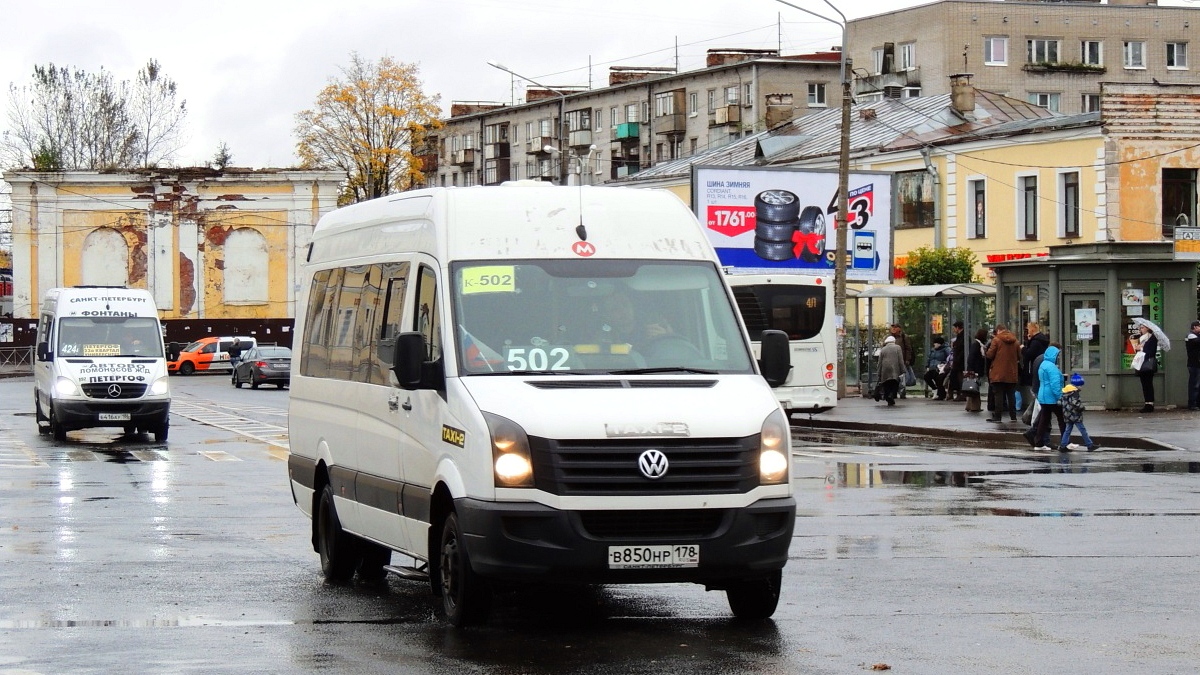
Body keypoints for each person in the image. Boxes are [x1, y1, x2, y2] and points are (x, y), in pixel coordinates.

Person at [1022, 344, 1066, 451]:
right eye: (1057, 355)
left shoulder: (1043, 364)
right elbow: (1055, 385)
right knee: (1061, 418)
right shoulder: (1052, 367)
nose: (1058, 357)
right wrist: (1060, 396)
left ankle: (1038, 441)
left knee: (1044, 418)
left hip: (1043, 395)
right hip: (1051, 397)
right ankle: (1065, 441)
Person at [985, 323, 1020, 422]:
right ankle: (1013, 416)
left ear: (998, 330)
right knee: (1011, 395)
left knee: (998, 395)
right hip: (1012, 372)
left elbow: (990, 355)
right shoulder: (1015, 341)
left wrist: (985, 352)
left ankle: (998, 416)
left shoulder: (996, 340)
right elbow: (1019, 356)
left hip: (998, 373)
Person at [1059, 373, 1100, 452]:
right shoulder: (1075, 393)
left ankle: (1063, 445)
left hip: (1067, 415)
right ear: (1077, 385)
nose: (1081, 387)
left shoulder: (1065, 392)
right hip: (1075, 415)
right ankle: (1089, 445)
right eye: (1080, 385)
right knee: (1082, 430)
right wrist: (1082, 408)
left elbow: (1060, 402)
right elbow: (1076, 404)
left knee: (1067, 430)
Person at [1019, 322, 1050, 421]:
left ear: (1032, 330)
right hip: (1040, 367)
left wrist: (1023, 348)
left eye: (1028, 330)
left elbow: (1029, 354)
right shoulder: (1041, 340)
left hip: (1035, 367)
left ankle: (1037, 413)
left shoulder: (1036, 341)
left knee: (1035, 391)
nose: (1027, 332)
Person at [963, 327, 988, 413]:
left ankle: (969, 406)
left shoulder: (977, 344)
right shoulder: (977, 345)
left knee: (972, 388)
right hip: (975, 370)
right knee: (975, 389)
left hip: (974, 369)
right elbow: (972, 358)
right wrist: (972, 370)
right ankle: (975, 406)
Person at [876, 335, 905, 406]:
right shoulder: (898, 348)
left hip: (885, 369)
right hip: (895, 369)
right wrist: (903, 370)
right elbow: (900, 360)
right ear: (894, 341)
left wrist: (879, 372)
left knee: (886, 384)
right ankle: (891, 395)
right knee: (895, 383)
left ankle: (888, 398)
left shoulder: (883, 349)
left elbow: (879, 362)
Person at [1134, 323, 1158, 413]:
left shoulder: (1152, 338)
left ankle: (1150, 404)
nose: (1141, 329)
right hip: (1141, 363)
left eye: (1143, 327)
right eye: (1140, 328)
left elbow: (1151, 352)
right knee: (1144, 384)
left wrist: (1142, 349)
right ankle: (1147, 402)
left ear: (1148, 328)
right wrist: (1138, 348)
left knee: (1148, 384)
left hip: (1147, 363)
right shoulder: (1141, 338)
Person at [889, 323, 915, 399]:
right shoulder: (889, 337)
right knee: (893, 378)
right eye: (892, 327)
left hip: (901, 361)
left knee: (902, 378)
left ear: (899, 329)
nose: (893, 329)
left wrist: (907, 359)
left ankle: (902, 393)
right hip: (891, 361)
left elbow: (908, 349)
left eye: (895, 327)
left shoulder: (904, 337)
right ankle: (893, 393)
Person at [923, 336, 950, 400]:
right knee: (926, 377)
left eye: (936, 343)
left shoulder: (946, 349)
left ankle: (941, 394)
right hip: (932, 368)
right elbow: (929, 358)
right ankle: (935, 389)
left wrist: (943, 363)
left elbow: (949, 358)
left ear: (939, 344)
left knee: (938, 380)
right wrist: (927, 366)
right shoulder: (933, 350)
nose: (934, 344)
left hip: (940, 368)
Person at [948, 321, 966, 401]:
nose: (953, 330)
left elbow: (961, 349)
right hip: (958, 360)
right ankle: (957, 393)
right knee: (955, 377)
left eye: (954, 328)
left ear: (958, 328)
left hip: (960, 361)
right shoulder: (960, 336)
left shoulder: (963, 337)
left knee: (959, 378)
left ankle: (961, 393)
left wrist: (957, 359)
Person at [1186, 320, 1200, 411]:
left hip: (1197, 363)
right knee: (1195, 384)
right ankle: (1192, 403)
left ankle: (1197, 402)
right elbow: (1197, 342)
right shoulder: (1190, 336)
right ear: (1195, 327)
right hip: (1194, 363)